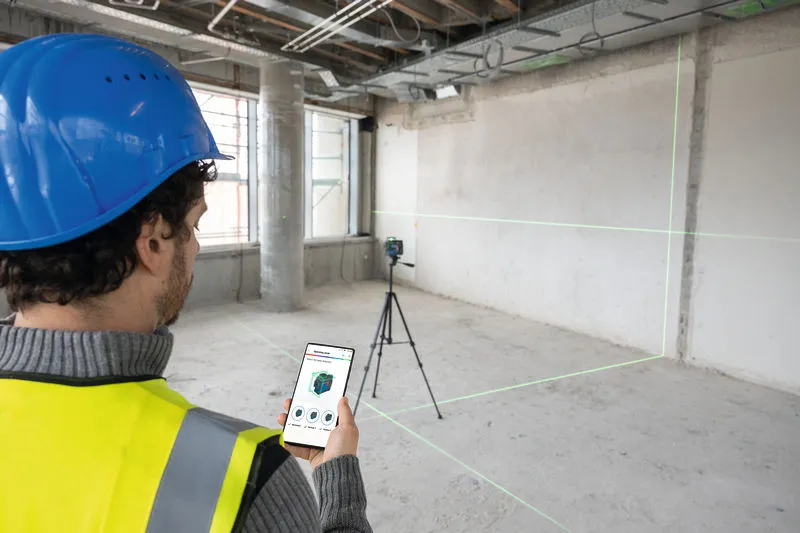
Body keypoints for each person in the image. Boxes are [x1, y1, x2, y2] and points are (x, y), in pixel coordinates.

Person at [0, 33, 372, 533]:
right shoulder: (244, 477)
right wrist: (337, 478)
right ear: (153, 240)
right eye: (193, 225)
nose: (194, 246)